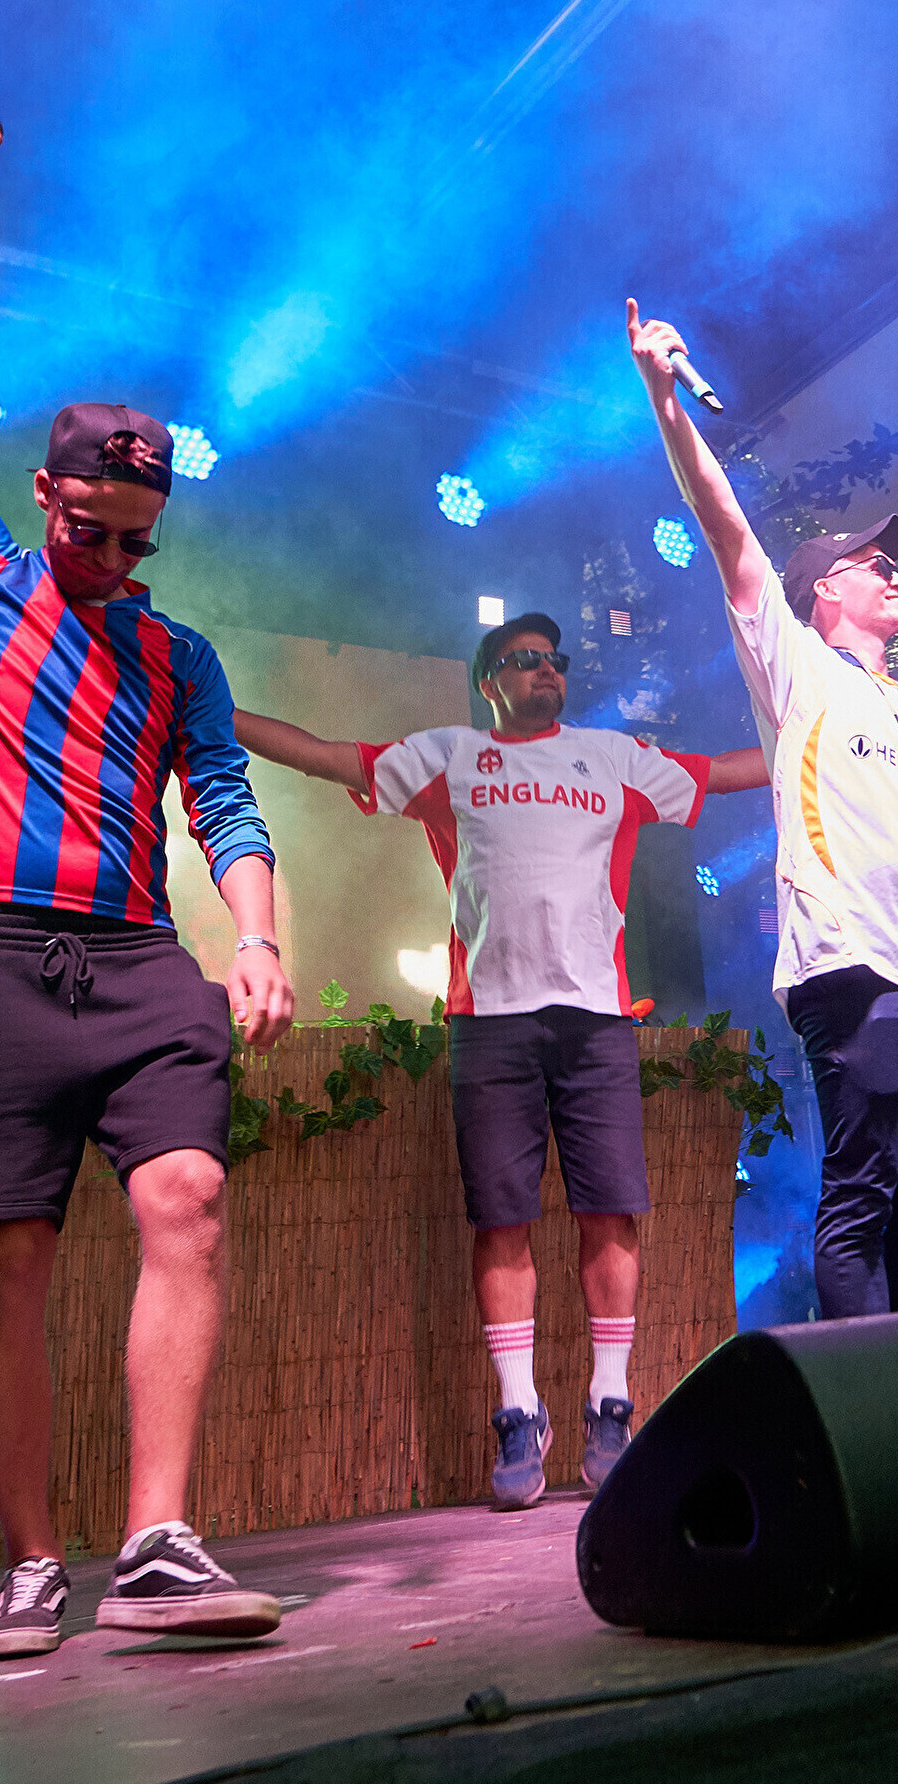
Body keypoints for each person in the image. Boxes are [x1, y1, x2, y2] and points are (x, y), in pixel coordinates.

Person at [0, 105, 297, 1661]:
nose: (119, 562)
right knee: (10, 1254)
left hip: (131, 963)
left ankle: (158, 1545)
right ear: (48, 498)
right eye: (99, 534)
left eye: (141, 542)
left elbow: (226, 801)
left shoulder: (176, 654)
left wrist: (254, 938)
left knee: (186, 1196)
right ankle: (29, 1563)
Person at [232, 612, 764, 1507]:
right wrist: (208, 706)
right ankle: (519, 1412)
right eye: (522, 660)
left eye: (552, 660)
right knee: (500, 1220)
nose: (544, 670)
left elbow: (729, 771)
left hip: (596, 1018)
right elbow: (322, 756)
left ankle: (609, 1402)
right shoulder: (448, 755)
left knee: (611, 1212)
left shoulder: (612, 756)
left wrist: (817, 740)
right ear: (488, 681)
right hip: (488, 1020)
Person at [629, 298, 898, 1318]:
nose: (895, 573)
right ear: (823, 593)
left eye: (893, 563)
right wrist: (665, 399)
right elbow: (724, 525)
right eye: (873, 564)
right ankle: (872, 1395)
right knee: (864, 1189)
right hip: (848, 962)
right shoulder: (794, 669)